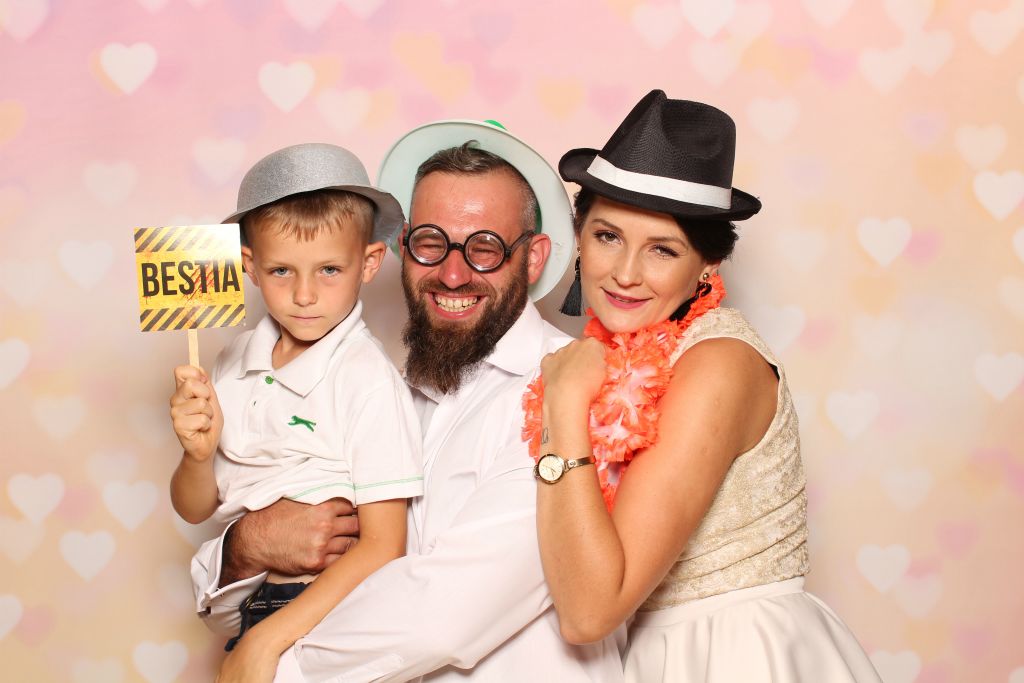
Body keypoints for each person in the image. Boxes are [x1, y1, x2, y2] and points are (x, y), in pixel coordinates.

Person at [188, 121, 625, 681]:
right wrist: (244, 548)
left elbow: (445, 613)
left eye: (485, 248)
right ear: (401, 249)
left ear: (534, 258)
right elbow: (237, 604)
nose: (452, 273)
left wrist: (267, 658)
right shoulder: (379, 389)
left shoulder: (575, 390)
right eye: (430, 243)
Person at [528, 90, 881, 681]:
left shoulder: (718, 363)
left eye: (662, 250)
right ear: (579, 235)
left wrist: (563, 407)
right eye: (608, 236)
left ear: (707, 266)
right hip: (655, 653)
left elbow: (588, 614)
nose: (625, 273)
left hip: (737, 655)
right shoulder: (620, 355)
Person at [168, 143, 424, 682]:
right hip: (247, 605)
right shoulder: (233, 359)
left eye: (329, 269)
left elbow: (385, 545)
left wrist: (267, 640)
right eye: (282, 270)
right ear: (250, 267)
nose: (304, 295)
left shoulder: (366, 379)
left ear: (369, 263)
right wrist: (196, 456)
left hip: (327, 613)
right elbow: (195, 508)